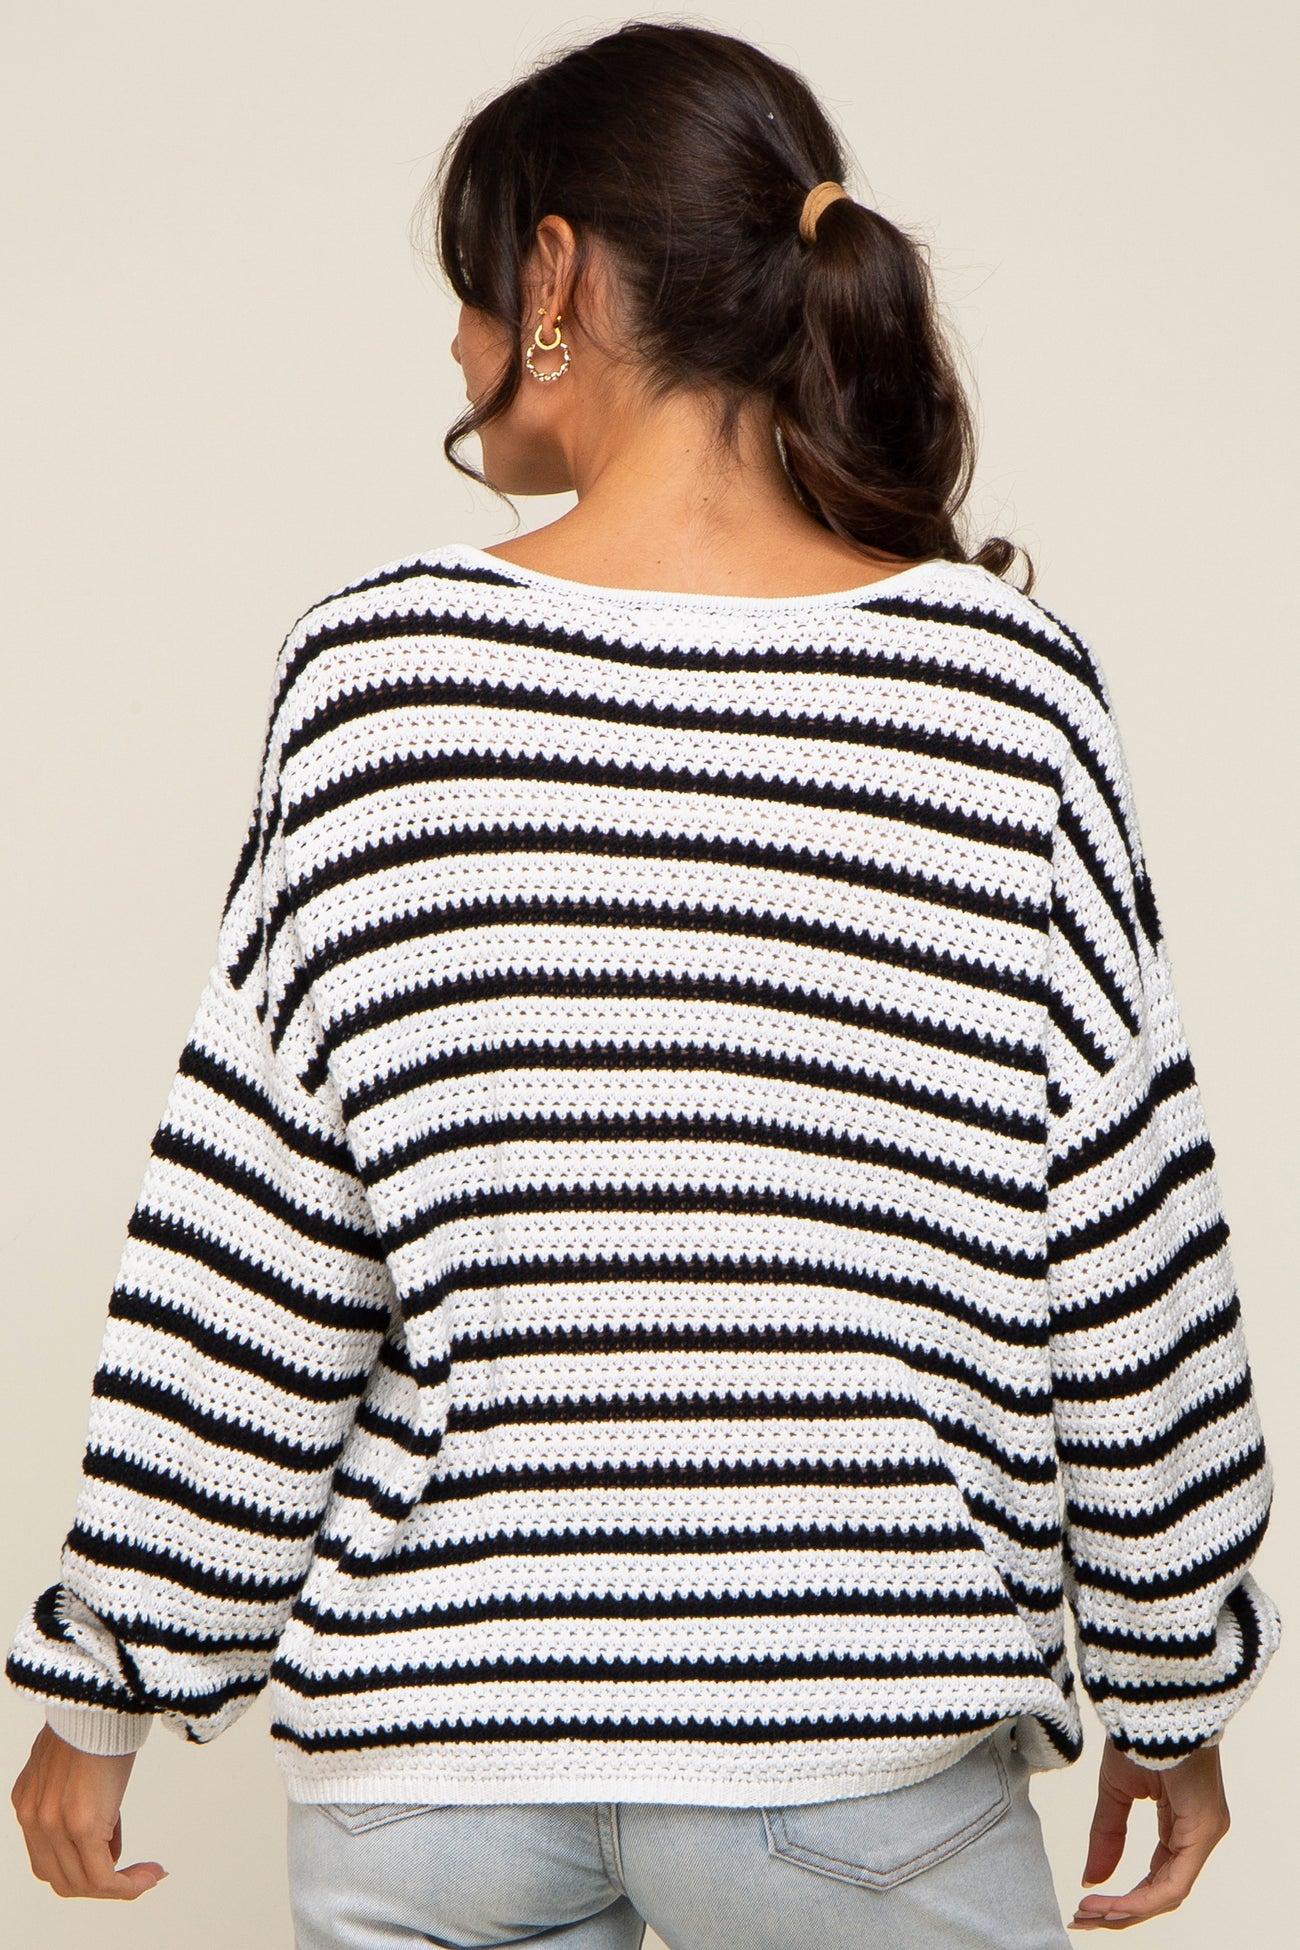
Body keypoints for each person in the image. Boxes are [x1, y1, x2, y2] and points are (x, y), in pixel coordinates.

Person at [6, 19, 1280, 1948]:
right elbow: (1125, 1239)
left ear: (556, 278)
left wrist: (110, 1671)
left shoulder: (377, 679)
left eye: (471, 282)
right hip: (854, 1737)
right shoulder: (1005, 697)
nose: (453, 347)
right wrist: (1177, 1677)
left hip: (437, 1760)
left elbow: (253, 1237)